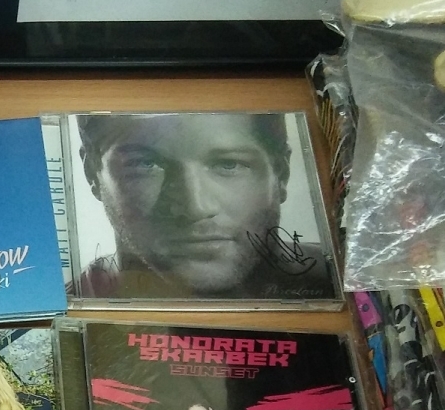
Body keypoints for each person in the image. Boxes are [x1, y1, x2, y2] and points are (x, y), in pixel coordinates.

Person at [70, 113, 332, 301]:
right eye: (145, 164)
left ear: (281, 174)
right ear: (92, 173)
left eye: (228, 164)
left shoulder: (339, 280)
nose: (194, 208)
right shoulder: (70, 305)